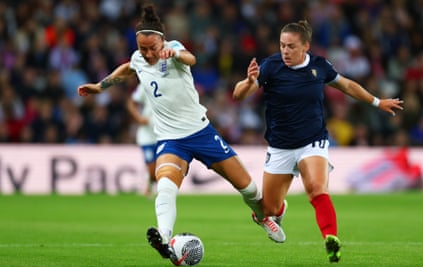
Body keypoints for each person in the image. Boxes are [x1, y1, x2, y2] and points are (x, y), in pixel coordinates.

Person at [77, 2, 285, 262]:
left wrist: (173, 55)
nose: (148, 53)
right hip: (170, 139)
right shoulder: (138, 58)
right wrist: (100, 86)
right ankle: (164, 238)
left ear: (161, 42)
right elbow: (127, 69)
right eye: (143, 48)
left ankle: (262, 216)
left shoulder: (173, 48)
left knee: (250, 190)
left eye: (152, 48)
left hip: (201, 133)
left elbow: (191, 58)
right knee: (164, 185)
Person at [233, 20, 404, 263]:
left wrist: (377, 102)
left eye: (291, 46)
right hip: (280, 146)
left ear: (305, 47)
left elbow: (347, 85)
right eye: (282, 45)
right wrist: (250, 81)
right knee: (268, 209)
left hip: (312, 141)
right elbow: (238, 95)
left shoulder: (319, 66)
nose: (285, 51)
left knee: (315, 188)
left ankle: (330, 238)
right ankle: (275, 213)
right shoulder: (270, 66)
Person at [127, 84, 157, 197]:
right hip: (147, 135)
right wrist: (139, 118)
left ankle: (156, 189)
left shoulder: (172, 83)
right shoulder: (146, 83)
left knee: (163, 167)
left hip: (164, 134)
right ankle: (149, 185)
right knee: (152, 170)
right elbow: (131, 103)